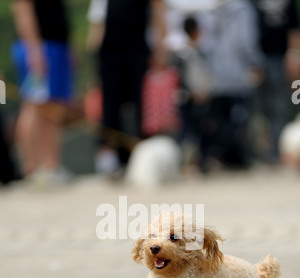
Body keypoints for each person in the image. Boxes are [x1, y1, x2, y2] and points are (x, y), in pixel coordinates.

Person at [87, 0, 167, 175]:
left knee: (142, 107)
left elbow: (158, 14)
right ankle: (109, 161)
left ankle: (143, 160)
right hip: (110, 49)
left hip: (138, 48)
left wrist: (160, 50)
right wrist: (94, 63)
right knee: (110, 106)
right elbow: (97, 21)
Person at [11, 0, 73, 186]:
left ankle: (50, 166)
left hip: (56, 47)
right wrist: (34, 51)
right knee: (33, 106)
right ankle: (31, 168)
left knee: (53, 108)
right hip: (39, 49)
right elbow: (22, 10)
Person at [200, 0, 265, 170]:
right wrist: (256, 63)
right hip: (239, 74)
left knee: (218, 120)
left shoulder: (213, 10)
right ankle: (236, 158)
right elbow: (246, 41)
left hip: (215, 75)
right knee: (239, 120)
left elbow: (206, 42)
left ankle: (218, 156)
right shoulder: (243, 9)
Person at [252, 0, 300, 162]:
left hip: (281, 58)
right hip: (258, 58)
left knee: (280, 107)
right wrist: (252, 61)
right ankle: (260, 152)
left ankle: (278, 152)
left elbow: (294, 28)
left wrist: (293, 55)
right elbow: (249, 26)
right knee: (259, 109)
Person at [173, 16, 214, 172]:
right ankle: (184, 164)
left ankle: (200, 162)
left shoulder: (201, 52)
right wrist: (192, 92)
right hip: (186, 99)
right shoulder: (183, 54)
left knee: (202, 130)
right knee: (185, 132)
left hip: (201, 98)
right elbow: (179, 78)